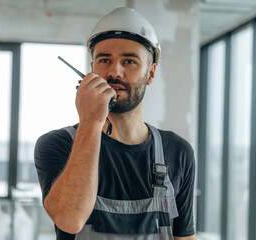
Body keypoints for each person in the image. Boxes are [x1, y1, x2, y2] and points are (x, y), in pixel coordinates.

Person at [34, 7, 196, 240]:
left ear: (150, 74)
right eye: (104, 60)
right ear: (91, 70)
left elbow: (185, 237)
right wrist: (90, 120)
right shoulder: (57, 144)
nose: (114, 72)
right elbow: (70, 219)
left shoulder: (178, 151)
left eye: (129, 61)